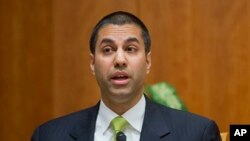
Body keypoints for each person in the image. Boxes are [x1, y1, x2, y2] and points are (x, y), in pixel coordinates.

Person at [31, 11, 221, 141]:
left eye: (130, 49)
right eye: (107, 50)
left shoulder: (197, 134)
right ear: (92, 63)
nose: (120, 59)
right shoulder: (49, 136)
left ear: (147, 62)